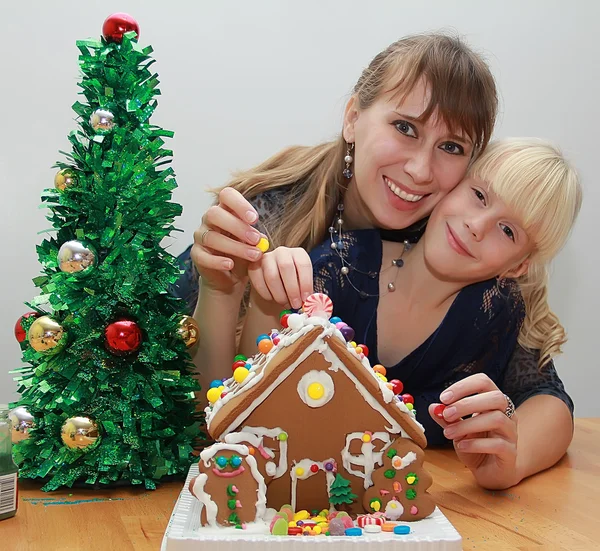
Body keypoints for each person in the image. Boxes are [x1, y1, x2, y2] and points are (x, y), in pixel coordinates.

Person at [172, 33, 575, 488]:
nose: (421, 171)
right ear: (353, 118)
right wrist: (220, 284)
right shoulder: (276, 223)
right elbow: (206, 401)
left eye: (452, 147)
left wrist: (511, 452)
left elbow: (543, 395)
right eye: (404, 127)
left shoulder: (465, 254)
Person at [246, 138, 581, 491]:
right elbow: (257, 385)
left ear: (518, 266)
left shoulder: (496, 311)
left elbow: (549, 400)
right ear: (453, 185)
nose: (477, 225)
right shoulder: (341, 266)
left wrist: (514, 459)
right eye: (479, 195)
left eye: (508, 231)